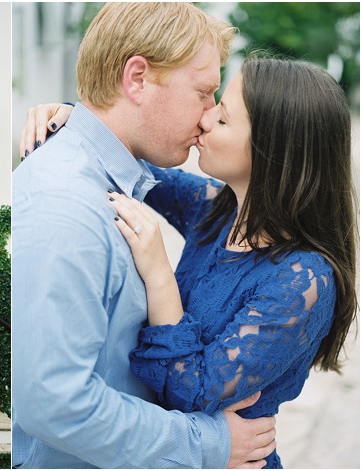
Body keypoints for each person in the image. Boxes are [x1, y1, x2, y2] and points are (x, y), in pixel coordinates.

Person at [23, 58, 358, 468]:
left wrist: (159, 275)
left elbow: (191, 390)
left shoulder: (303, 280)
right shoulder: (216, 211)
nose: (204, 117)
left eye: (223, 117)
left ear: (273, 150)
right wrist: (71, 115)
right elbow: (123, 154)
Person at [12, 3, 276, 469]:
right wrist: (206, 443)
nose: (208, 116)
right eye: (203, 92)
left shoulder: (115, 183)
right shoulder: (67, 207)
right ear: (136, 78)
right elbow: (54, 403)